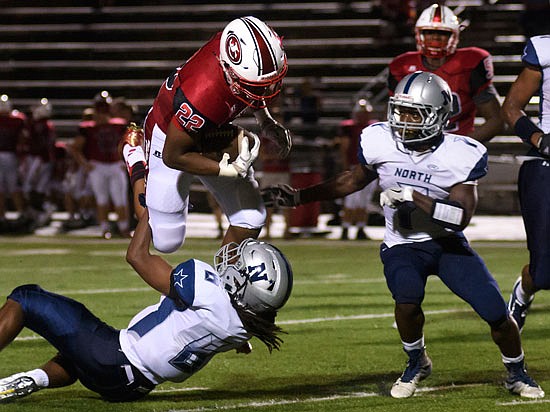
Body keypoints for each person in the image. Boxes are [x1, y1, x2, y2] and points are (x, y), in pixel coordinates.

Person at [262, 71, 544, 399]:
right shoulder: (380, 139)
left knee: (495, 312)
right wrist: (299, 197)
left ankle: (516, 372)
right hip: (403, 246)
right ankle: (416, 361)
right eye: (400, 111)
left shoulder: (461, 152)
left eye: (414, 113)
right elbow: (350, 181)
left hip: (446, 244)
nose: (404, 120)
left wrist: (414, 196)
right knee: (407, 303)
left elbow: (460, 217)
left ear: (438, 116)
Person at [0, 149, 293, 403]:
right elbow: (230, 317)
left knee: (26, 297)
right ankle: (33, 379)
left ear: (242, 285)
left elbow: (137, 256)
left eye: (238, 264)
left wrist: (151, 195)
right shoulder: (247, 325)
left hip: (113, 358)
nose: (232, 259)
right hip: (133, 387)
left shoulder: (207, 291)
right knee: (76, 355)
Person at [121, 16, 291, 254]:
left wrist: (265, 121)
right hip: (170, 134)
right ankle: (134, 156)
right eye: (259, 86)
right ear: (229, 72)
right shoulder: (202, 93)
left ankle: (227, 281)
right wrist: (227, 170)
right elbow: (174, 156)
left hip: (210, 127)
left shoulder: (237, 54)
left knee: (251, 217)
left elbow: (254, 88)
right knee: (165, 240)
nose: (269, 91)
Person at [388, 3, 503, 143]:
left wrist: (462, 146)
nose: (435, 38)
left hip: (455, 141)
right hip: (412, 144)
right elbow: (392, 117)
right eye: (429, 32)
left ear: (454, 35)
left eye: (442, 33)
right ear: (419, 34)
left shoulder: (470, 63)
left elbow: (496, 120)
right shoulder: (402, 66)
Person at [503, 35, 550, 334]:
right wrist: (539, 139)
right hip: (547, 165)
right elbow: (511, 107)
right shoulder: (545, 50)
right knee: (544, 274)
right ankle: (524, 291)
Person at [71, 91, 130, 239]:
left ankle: (123, 228)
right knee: (102, 199)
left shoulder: (119, 125)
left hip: (115, 164)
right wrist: (84, 164)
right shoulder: (88, 127)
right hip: (97, 165)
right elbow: (75, 147)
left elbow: (130, 143)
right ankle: (105, 229)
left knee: (119, 199)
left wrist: (125, 161)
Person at [336, 98, 379, 240]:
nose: (363, 115)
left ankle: (360, 228)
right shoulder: (349, 127)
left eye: (365, 112)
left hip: (370, 167)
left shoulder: (374, 127)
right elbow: (344, 148)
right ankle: (346, 228)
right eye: (361, 112)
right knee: (351, 200)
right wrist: (345, 167)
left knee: (364, 201)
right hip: (355, 167)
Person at [0, 94, 30, 232]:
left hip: (11, 156)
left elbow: (24, 137)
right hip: (10, 156)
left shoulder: (17, 120)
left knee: (14, 187)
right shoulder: (17, 119)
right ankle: (15, 214)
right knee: (11, 187)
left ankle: (17, 214)